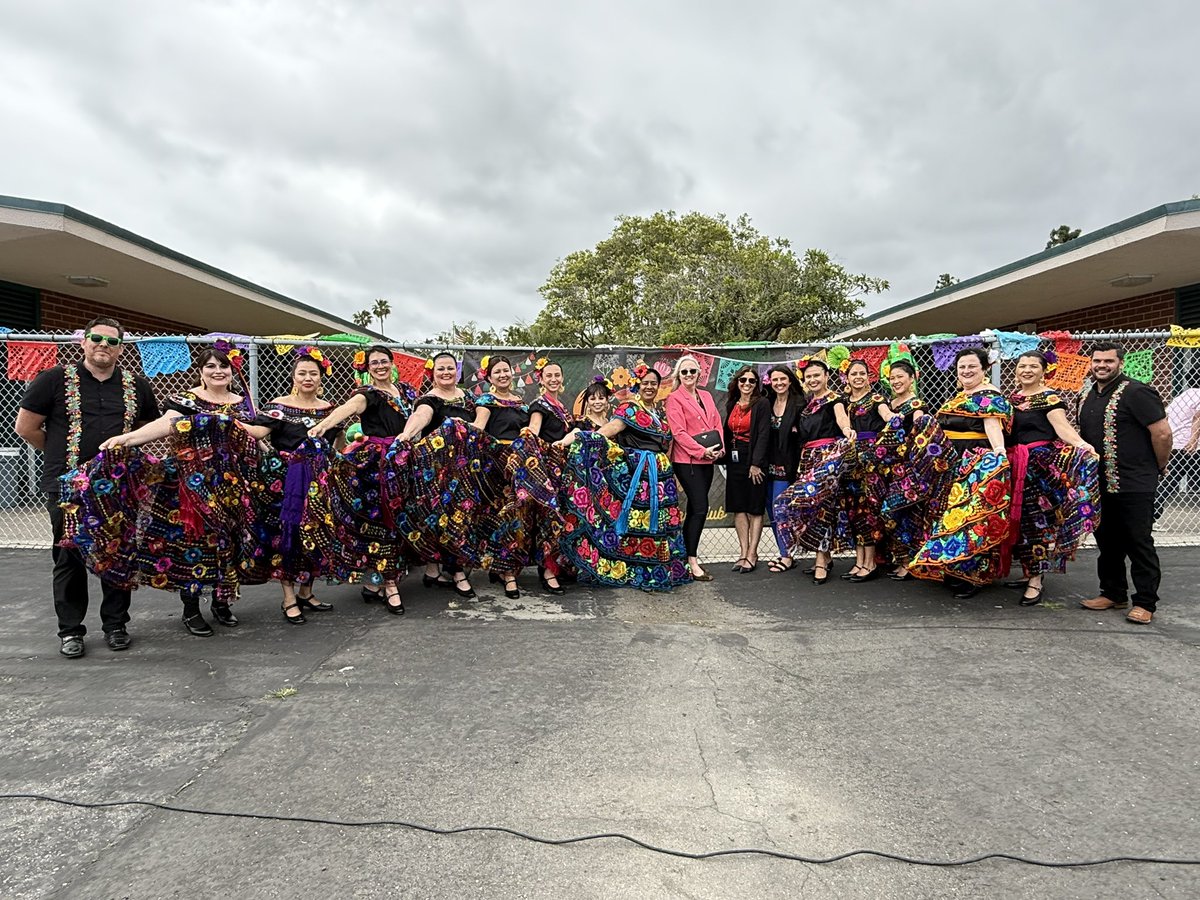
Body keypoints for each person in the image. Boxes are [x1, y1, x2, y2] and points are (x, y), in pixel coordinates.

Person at [15, 318, 159, 658]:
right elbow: (26, 427)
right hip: (67, 485)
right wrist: (59, 453)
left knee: (118, 554)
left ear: (121, 348)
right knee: (69, 555)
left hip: (119, 485)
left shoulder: (136, 385)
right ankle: (70, 631)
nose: (102, 345)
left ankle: (115, 625)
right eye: (96, 338)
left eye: (111, 341)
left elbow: (145, 428)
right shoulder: (52, 379)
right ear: (83, 342)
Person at [95, 346, 260, 636]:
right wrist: (128, 438)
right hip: (191, 483)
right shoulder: (186, 400)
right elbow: (165, 424)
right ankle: (191, 609)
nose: (217, 371)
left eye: (223, 367)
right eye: (210, 366)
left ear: (232, 372)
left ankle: (222, 603)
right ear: (201, 371)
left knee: (230, 541)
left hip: (232, 483)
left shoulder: (243, 403)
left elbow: (254, 435)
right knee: (194, 544)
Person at [558, 365, 690, 591]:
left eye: (653, 383)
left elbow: (665, 446)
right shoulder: (629, 408)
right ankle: (637, 571)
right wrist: (581, 438)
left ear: (658, 387)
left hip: (660, 476)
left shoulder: (657, 413)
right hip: (641, 476)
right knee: (640, 522)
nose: (649, 387)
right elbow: (611, 429)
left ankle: (658, 569)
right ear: (638, 384)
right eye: (645, 382)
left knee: (659, 523)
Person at [309, 344, 414, 615]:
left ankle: (375, 583)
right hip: (378, 464)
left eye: (383, 361)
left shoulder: (407, 392)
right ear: (367, 369)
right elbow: (349, 408)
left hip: (404, 459)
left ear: (392, 363)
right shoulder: (367, 393)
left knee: (402, 517)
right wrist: (323, 426)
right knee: (383, 520)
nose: (379, 366)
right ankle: (390, 584)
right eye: (373, 363)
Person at [239, 348, 341, 624]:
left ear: (321, 378)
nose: (308, 378)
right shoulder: (278, 407)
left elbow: (337, 444)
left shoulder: (330, 410)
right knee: (287, 537)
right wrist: (228, 421)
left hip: (320, 482)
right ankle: (289, 597)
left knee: (317, 534)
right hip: (284, 483)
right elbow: (257, 432)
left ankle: (308, 591)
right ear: (293, 377)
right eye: (302, 373)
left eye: (313, 374)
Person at [1078, 343, 1172, 625]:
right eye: (1097, 361)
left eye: (1108, 361)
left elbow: (1163, 434)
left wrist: (1158, 465)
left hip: (1135, 482)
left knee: (1138, 541)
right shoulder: (1088, 393)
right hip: (1099, 482)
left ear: (1120, 362)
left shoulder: (1137, 392)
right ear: (1091, 363)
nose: (1102, 365)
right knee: (1107, 541)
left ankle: (1145, 602)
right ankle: (1113, 592)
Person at [909, 347, 1013, 598]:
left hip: (974, 461)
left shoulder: (989, 396)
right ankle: (951, 569)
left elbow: (992, 425)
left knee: (971, 518)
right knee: (949, 516)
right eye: (962, 367)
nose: (966, 371)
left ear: (984, 369)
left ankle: (973, 576)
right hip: (950, 463)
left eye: (972, 367)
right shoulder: (956, 398)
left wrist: (999, 452)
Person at [1003, 351, 1099, 605]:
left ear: (1043, 370)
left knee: (1037, 523)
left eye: (1033, 366)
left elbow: (1062, 427)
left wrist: (1082, 444)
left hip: (1038, 469)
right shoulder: (1012, 399)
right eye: (1022, 366)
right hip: (1014, 466)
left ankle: (1036, 580)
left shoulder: (1050, 398)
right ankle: (1028, 572)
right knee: (1019, 522)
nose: (1026, 370)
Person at [398, 351, 480, 600]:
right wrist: (406, 434)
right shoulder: (428, 399)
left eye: (450, 368)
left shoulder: (468, 399)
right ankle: (455, 573)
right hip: (436, 470)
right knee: (440, 519)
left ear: (457, 372)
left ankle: (436, 572)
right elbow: (421, 416)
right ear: (432, 373)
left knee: (461, 517)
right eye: (440, 369)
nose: (446, 373)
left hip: (464, 468)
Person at [771, 358, 854, 585]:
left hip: (826, 459)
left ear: (827, 376)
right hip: (806, 460)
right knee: (810, 508)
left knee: (822, 508)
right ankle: (825, 556)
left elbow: (842, 419)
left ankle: (819, 561)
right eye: (809, 376)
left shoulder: (834, 400)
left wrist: (847, 430)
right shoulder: (806, 404)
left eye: (817, 375)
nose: (813, 379)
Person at [870, 360, 953, 582]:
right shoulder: (889, 403)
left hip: (908, 469)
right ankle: (900, 559)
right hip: (888, 468)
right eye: (892, 378)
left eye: (900, 377)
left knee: (903, 513)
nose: (896, 381)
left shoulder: (916, 406)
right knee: (892, 514)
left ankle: (910, 562)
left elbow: (920, 436)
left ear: (912, 378)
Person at [472, 355, 531, 599]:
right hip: (495, 464)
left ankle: (505, 567)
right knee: (500, 515)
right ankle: (507, 574)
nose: (503, 375)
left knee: (518, 515)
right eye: (497, 372)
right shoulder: (486, 400)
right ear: (489, 376)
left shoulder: (522, 403)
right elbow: (479, 426)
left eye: (506, 370)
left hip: (518, 463)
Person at [665, 355, 725, 581]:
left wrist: (720, 448)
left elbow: (717, 422)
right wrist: (701, 451)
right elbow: (678, 432)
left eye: (692, 371)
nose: (689, 375)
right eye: (684, 372)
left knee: (696, 510)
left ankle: (685, 557)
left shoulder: (707, 395)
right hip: (688, 461)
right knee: (700, 508)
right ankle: (691, 560)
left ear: (699, 373)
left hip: (709, 460)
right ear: (678, 375)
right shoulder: (674, 399)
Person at [838, 359, 891, 582]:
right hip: (851, 462)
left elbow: (886, 414)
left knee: (868, 511)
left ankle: (870, 563)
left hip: (870, 461)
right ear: (847, 378)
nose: (858, 377)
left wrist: (891, 418)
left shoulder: (876, 399)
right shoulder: (844, 402)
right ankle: (858, 561)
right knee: (853, 510)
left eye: (862, 373)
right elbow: (842, 422)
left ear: (868, 376)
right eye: (854, 374)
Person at [527, 359, 572, 594]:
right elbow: (534, 431)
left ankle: (556, 565)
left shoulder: (561, 406)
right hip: (546, 469)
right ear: (541, 379)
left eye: (557, 375)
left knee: (560, 517)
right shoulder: (539, 405)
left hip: (561, 469)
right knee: (548, 518)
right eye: (549, 375)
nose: (553, 379)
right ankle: (546, 571)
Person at [722, 365, 769, 574]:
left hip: (753, 459)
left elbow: (763, 435)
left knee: (754, 507)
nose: (747, 384)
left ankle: (752, 553)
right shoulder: (732, 403)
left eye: (752, 381)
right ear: (737, 383)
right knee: (739, 507)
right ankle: (742, 553)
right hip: (734, 459)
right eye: (743, 380)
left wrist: (756, 463)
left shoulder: (762, 404)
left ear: (756, 384)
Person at [762, 365, 804, 575]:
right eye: (775, 380)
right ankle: (783, 551)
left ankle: (787, 556)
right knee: (771, 510)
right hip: (767, 465)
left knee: (781, 510)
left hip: (788, 466)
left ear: (789, 380)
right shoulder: (767, 402)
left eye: (782, 379)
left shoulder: (799, 403)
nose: (779, 383)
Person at [1154, 365, 1200, 520]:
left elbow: (1166, 415)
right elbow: (1198, 418)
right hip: (1190, 446)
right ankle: (1153, 510)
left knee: (1171, 480)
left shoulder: (1184, 395)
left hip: (1176, 443)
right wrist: (1193, 440)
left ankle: (1153, 511)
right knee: (1173, 480)